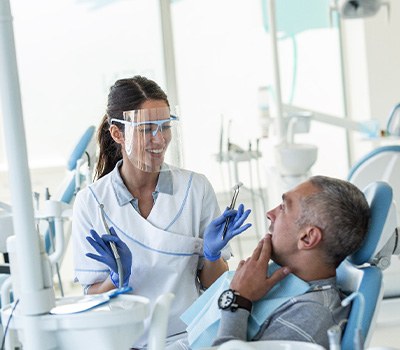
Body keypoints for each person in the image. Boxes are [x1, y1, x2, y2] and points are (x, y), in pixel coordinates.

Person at [71, 76, 251, 349]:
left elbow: (213, 284)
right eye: (146, 129)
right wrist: (115, 279)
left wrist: (213, 256)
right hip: (129, 341)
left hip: (192, 338)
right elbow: (91, 299)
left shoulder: (195, 188)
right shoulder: (91, 202)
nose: (159, 139)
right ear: (118, 133)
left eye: (165, 127)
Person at [178, 175, 370, 350]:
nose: (270, 213)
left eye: (284, 207)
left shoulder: (311, 316)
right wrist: (213, 257)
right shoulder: (280, 278)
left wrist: (238, 300)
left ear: (308, 238)